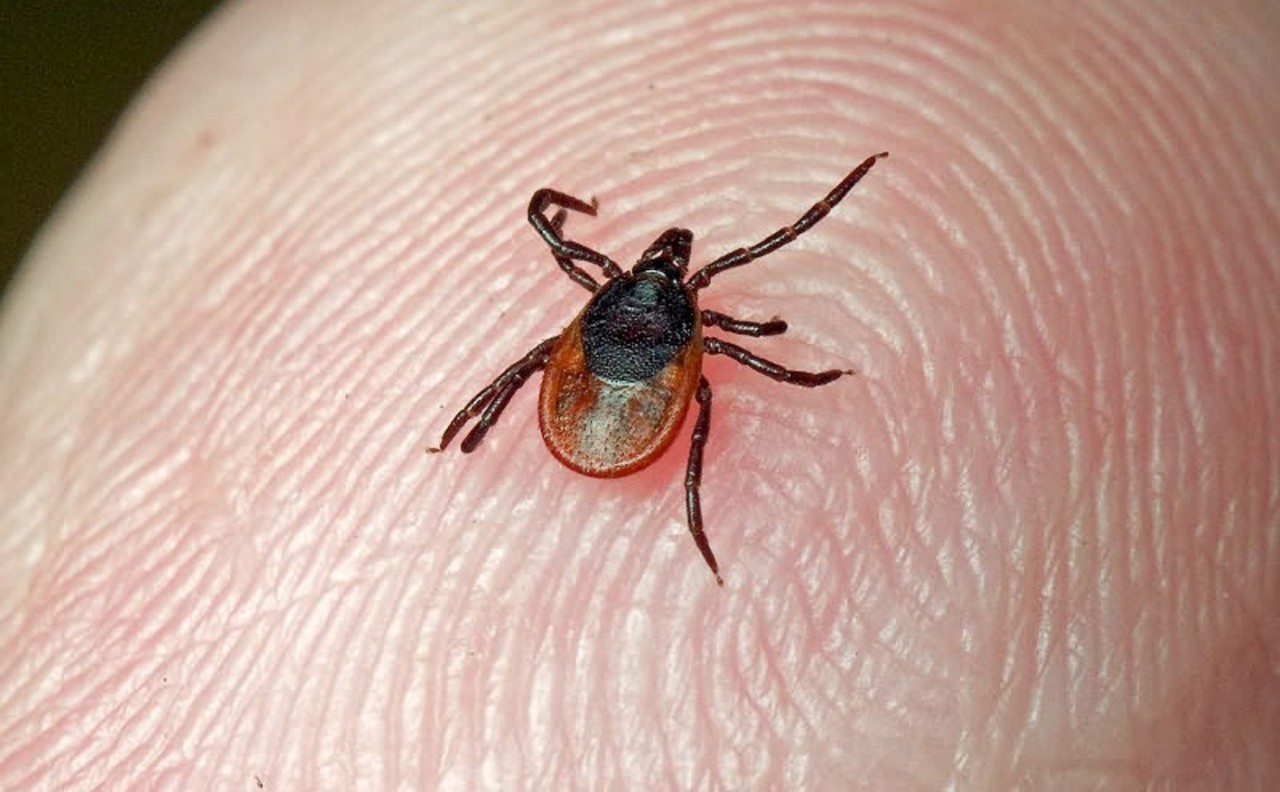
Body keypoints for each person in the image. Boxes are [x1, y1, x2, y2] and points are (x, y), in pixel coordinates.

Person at [1, 1, 1276, 787]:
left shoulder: (617, 311)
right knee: (703, 402)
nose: (664, 272)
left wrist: (557, 343)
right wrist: (769, 342)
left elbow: (551, 235)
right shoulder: (689, 328)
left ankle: (562, 462)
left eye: (660, 278)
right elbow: (713, 306)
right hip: (619, 400)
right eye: (658, 275)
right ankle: (617, 483)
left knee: (641, 395)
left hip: (598, 400)